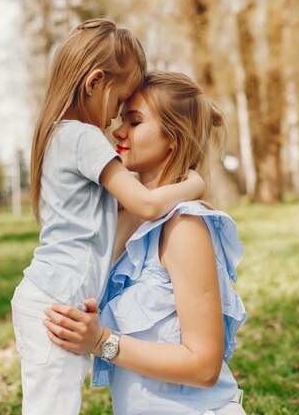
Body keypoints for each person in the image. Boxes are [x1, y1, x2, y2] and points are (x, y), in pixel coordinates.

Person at [11, 22, 205, 415]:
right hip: (57, 302)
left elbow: (116, 218)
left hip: (51, 296)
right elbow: (146, 206)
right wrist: (193, 184)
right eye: (119, 102)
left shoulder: (59, 135)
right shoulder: (83, 138)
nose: (117, 119)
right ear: (95, 82)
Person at [43, 71, 247, 415]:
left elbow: (204, 366)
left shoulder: (185, 228)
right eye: (121, 118)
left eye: (134, 121)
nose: (118, 131)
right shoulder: (122, 219)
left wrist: (101, 341)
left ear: (174, 138)